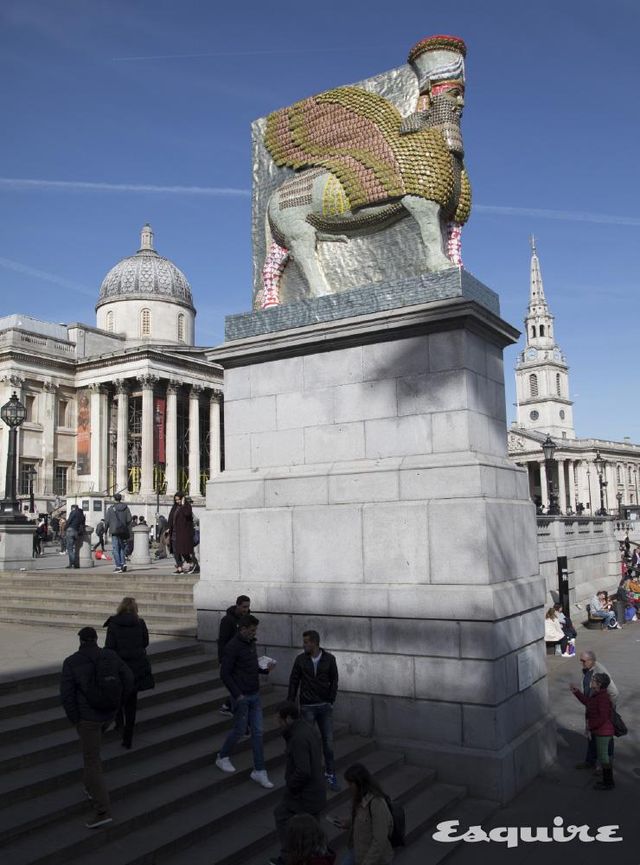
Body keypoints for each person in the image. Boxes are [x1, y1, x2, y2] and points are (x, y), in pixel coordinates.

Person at [60, 626, 134, 828]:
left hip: (88, 719)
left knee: (92, 760)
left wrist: (76, 719)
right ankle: (88, 786)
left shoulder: (71, 662)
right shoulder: (109, 655)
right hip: (107, 715)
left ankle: (103, 810)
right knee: (90, 755)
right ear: (95, 639)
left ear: (80, 641)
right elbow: (128, 679)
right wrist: (116, 706)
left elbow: (66, 696)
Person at [216, 614, 274, 789]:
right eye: (251, 630)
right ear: (242, 629)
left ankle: (259, 770)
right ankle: (222, 756)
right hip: (241, 695)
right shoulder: (232, 647)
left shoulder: (250, 643)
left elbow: (251, 666)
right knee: (240, 729)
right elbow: (224, 674)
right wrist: (237, 695)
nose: (254, 633)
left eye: (255, 630)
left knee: (257, 732)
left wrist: (265, 670)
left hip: (254, 693)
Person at [270, 702, 327, 865]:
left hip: (303, 795)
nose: (277, 724)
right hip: (314, 792)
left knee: (281, 815)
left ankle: (290, 857)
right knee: (312, 829)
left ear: (288, 718)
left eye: (279, 720)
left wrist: (290, 787)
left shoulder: (298, 738)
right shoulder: (306, 729)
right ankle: (306, 856)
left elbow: (303, 771)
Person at [288, 630, 340, 790]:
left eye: (306, 642)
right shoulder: (300, 660)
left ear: (315, 643)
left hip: (324, 706)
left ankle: (330, 774)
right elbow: (294, 681)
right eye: (304, 642)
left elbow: (334, 680)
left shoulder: (329, 659)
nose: (304, 645)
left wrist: (330, 700)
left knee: (328, 743)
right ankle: (310, 774)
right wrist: (291, 703)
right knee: (308, 742)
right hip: (307, 706)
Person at [103, 597, 155, 749]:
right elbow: (145, 642)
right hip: (136, 667)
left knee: (118, 697)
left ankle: (119, 723)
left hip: (119, 667)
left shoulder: (113, 623)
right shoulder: (140, 623)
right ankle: (128, 737)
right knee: (131, 704)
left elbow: (109, 646)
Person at [332, 763, 393, 865]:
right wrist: (348, 823)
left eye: (350, 784)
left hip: (373, 858)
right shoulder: (360, 799)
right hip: (358, 850)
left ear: (359, 783)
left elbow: (379, 840)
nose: (348, 787)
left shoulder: (377, 803)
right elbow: (363, 820)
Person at [570, 673, 615, 790]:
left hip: (603, 733)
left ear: (599, 684)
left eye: (594, 680)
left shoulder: (602, 698)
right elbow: (588, 702)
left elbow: (603, 717)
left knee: (603, 757)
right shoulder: (597, 695)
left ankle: (608, 782)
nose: (591, 681)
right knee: (603, 756)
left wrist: (590, 726)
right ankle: (607, 781)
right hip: (600, 731)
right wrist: (577, 692)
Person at [575, 649, 618, 771]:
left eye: (583, 661)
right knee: (591, 737)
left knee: (605, 741)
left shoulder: (600, 671)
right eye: (581, 661)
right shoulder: (587, 670)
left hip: (600, 712)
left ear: (592, 661)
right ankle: (590, 761)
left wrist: (609, 709)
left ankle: (605, 769)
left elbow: (614, 693)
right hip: (592, 707)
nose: (581, 663)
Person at [218, 595, 251, 716]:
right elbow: (222, 641)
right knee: (238, 685)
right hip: (232, 658)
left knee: (240, 685)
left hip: (243, 657)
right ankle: (230, 706)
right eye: (244, 607)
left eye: (248, 607)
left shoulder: (246, 618)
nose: (246, 609)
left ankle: (228, 705)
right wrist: (222, 659)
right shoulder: (227, 620)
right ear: (237, 605)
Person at [105, 493, 132, 574]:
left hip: (114, 531)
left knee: (115, 549)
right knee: (122, 548)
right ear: (121, 498)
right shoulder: (126, 507)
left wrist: (105, 530)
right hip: (123, 530)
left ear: (114, 499)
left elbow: (107, 521)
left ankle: (118, 566)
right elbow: (129, 519)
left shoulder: (111, 509)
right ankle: (123, 563)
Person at [168, 494, 194, 574]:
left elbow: (187, 514)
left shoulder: (187, 506)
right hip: (174, 532)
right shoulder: (175, 507)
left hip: (183, 532)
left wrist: (183, 504)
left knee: (183, 550)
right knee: (175, 551)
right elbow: (171, 518)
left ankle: (191, 563)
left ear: (182, 498)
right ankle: (179, 568)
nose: (177, 501)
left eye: (179, 499)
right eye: (176, 500)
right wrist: (168, 528)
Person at [65, 504, 85, 569]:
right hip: (76, 532)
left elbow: (69, 521)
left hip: (70, 530)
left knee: (70, 548)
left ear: (73, 508)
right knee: (76, 549)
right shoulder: (81, 514)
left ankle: (73, 563)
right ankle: (74, 564)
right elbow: (82, 523)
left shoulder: (73, 512)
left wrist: (65, 527)